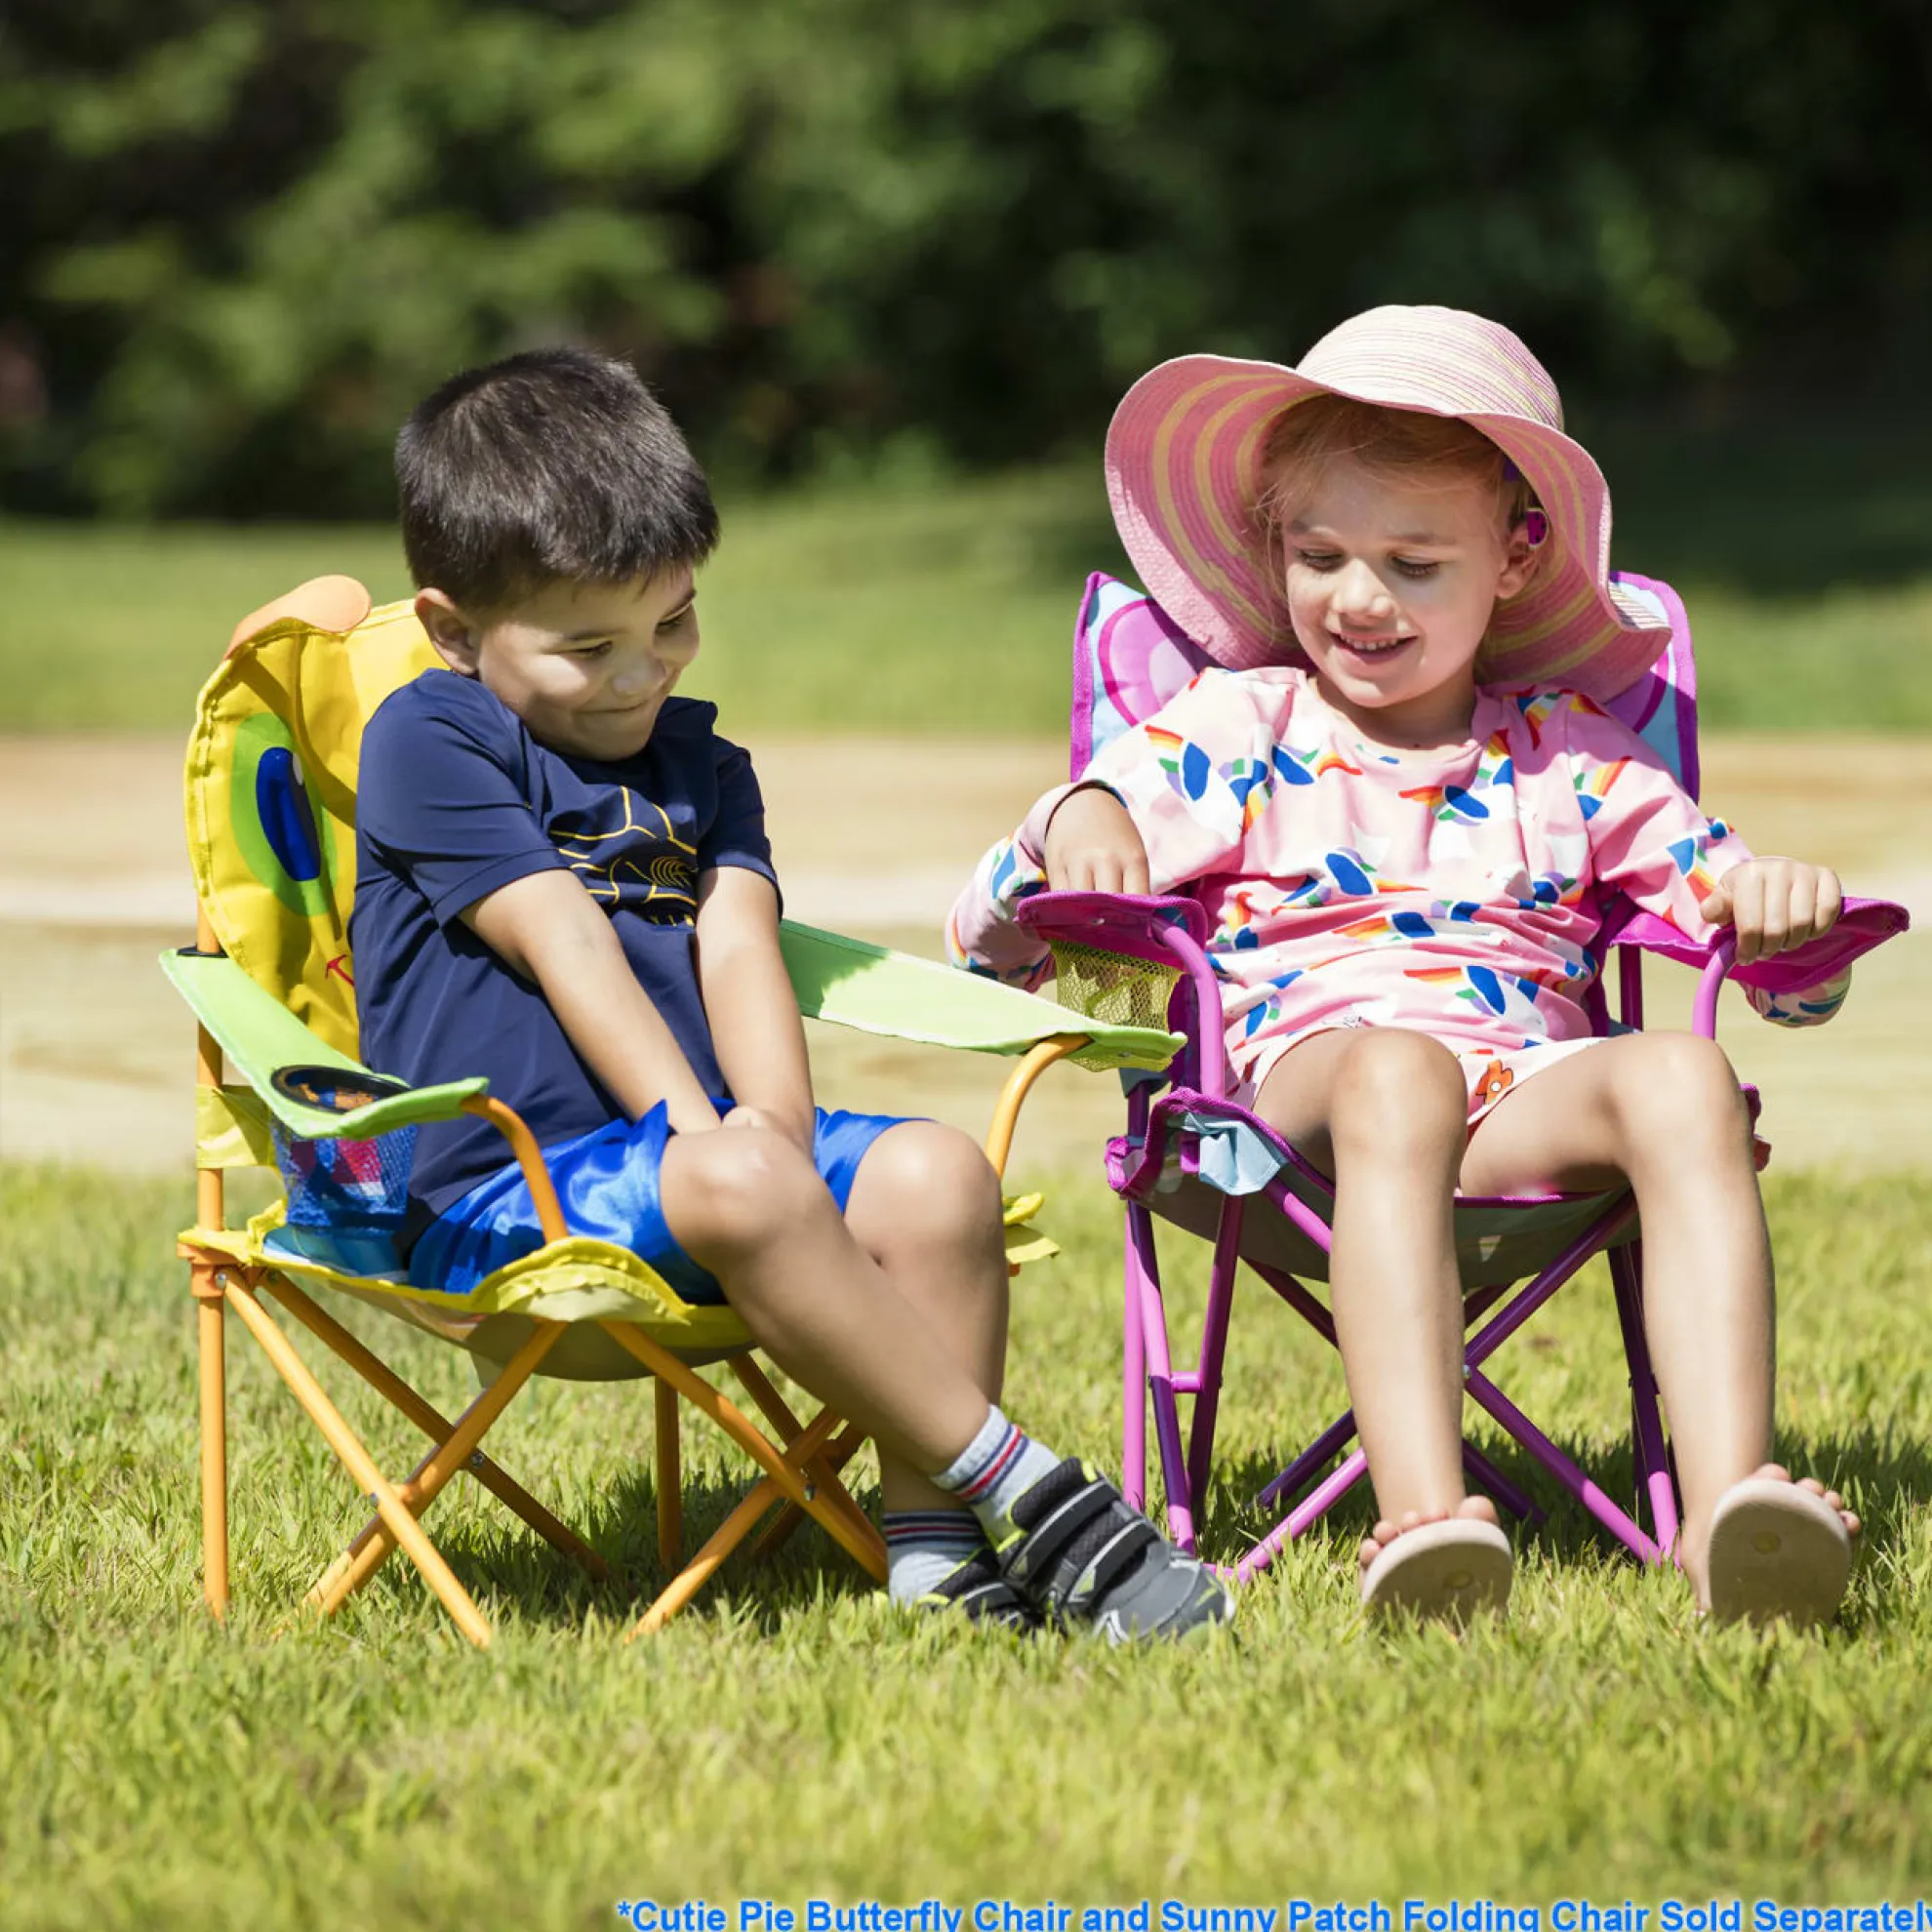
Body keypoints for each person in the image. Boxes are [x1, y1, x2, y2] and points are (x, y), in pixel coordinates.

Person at [949, 305, 1862, 1626]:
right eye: (1320, 555)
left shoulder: (1573, 751)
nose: (1358, 598)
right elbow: (993, 927)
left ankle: (1734, 1509)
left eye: (1413, 563)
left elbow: (1767, 954)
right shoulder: (1235, 727)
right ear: (1276, 551)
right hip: (1302, 1113)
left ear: (1512, 560)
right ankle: (1427, 1522)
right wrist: (1071, 824)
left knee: (1680, 1071)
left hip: (1518, 1096)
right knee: (1400, 1073)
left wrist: (1778, 914)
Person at [350, 347, 1232, 1642]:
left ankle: (936, 1557)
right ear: (451, 630)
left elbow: (742, 947)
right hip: (508, 1194)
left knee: (937, 1173)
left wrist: (767, 1119)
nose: (641, 673)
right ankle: (1031, 1493)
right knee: (746, 1175)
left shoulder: (706, 767)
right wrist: (719, 1141)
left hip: (702, 1172)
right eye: (586, 646)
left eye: (673, 622)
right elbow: (567, 947)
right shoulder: (432, 740)